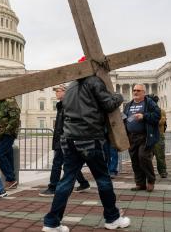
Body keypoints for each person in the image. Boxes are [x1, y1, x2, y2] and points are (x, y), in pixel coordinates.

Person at [42, 63, 130, 231]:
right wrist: (119, 97)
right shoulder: (94, 82)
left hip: (69, 138)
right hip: (89, 137)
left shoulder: (71, 86)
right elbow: (108, 104)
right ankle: (112, 218)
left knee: (66, 181)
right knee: (103, 180)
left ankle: (52, 223)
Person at [39, 84, 90, 198]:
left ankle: (53, 187)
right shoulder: (61, 105)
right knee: (70, 163)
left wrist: (64, 137)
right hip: (61, 138)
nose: (56, 93)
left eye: (58, 90)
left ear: (66, 92)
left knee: (57, 163)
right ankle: (83, 183)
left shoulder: (68, 105)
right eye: (55, 91)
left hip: (65, 139)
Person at [123, 84, 160, 192]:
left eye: (138, 90)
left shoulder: (149, 103)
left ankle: (150, 180)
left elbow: (157, 116)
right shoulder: (129, 104)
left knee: (143, 157)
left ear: (144, 92)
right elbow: (125, 118)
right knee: (135, 160)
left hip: (145, 136)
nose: (135, 92)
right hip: (132, 137)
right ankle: (140, 183)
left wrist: (144, 116)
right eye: (134, 90)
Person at [0, 96, 21, 190]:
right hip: (2, 133)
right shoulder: (0, 102)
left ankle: (11, 179)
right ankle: (12, 180)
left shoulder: (9, 101)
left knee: (0, 154)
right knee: (8, 155)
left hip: (8, 133)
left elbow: (15, 117)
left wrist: (6, 130)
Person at [150, 95, 168, 178]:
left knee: (160, 155)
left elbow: (162, 121)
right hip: (149, 136)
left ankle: (163, 171)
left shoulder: (161, 111)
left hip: (158, 135)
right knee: (147, 156)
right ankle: (148, 172)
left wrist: (150, 121)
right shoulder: (148, 111)